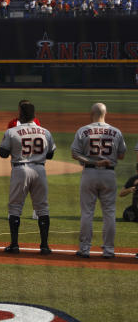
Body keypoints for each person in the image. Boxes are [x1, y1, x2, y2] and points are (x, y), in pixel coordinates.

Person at [0, 101, 56, 254]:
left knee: (15, 207)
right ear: (34, 115)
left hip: (20, 170)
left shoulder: (12, 132)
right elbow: (50, 154)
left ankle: (15, 245)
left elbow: (3, 153)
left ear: (21, 115)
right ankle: (44, 246)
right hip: (39, 170)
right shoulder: (46, 132)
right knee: (42, 207)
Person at [70, 103, 126, 258]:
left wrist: (94, 161)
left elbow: (75, 154)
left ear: (91, 113)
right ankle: (109, 251)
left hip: (89, 173)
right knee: (109, 213)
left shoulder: (83, 130)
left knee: (87, 213)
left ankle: (85, 249)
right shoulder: (116, 131)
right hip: (109, 175)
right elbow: (121, 155)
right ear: (105, 112)